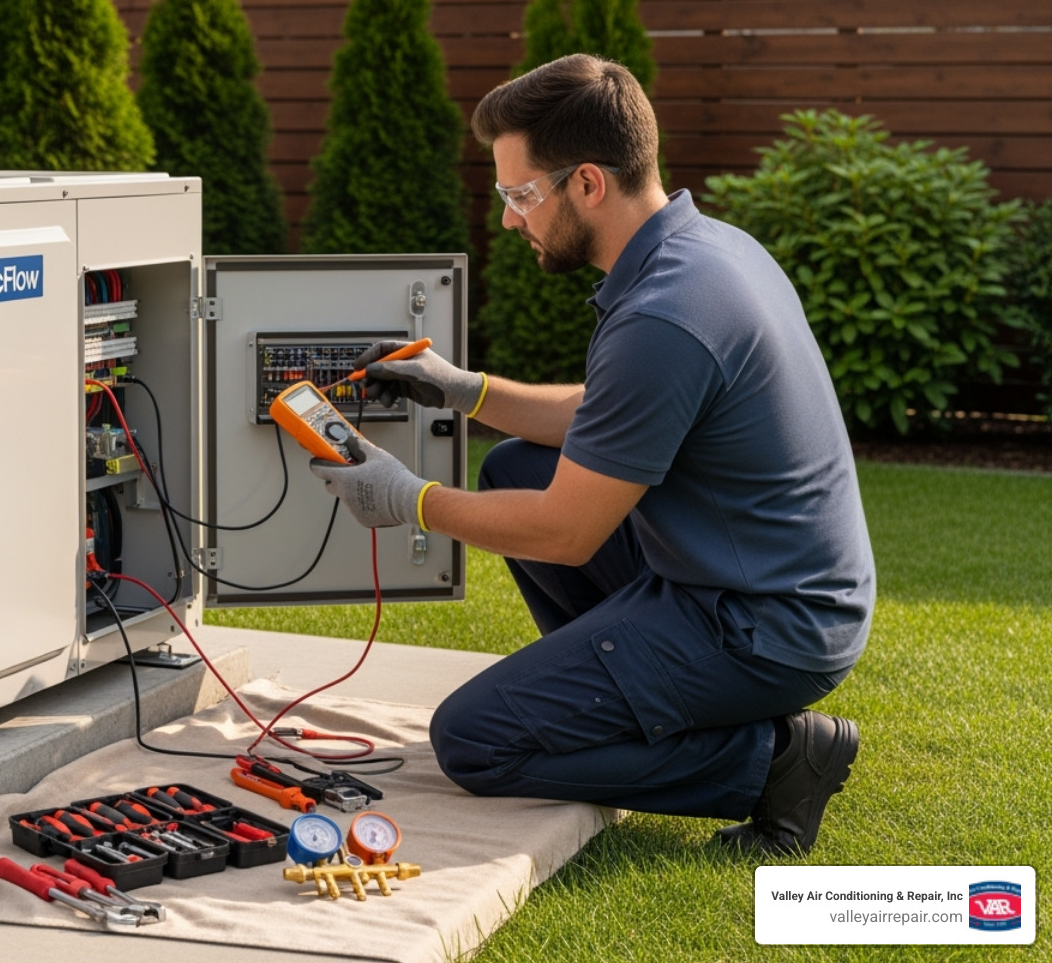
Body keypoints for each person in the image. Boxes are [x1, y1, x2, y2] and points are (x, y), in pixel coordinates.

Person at [308, 53, 873, 856]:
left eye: (520, 194)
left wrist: (408, 499)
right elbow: (614, 414)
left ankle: (776, 760)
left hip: (763, 625)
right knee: (512, 465)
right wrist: (465, 390)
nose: (510, 218)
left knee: (475, 741)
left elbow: (566, 534)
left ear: (587, 184)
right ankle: (641, 694)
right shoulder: (707, 253)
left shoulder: (664, 314)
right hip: (763, 586)